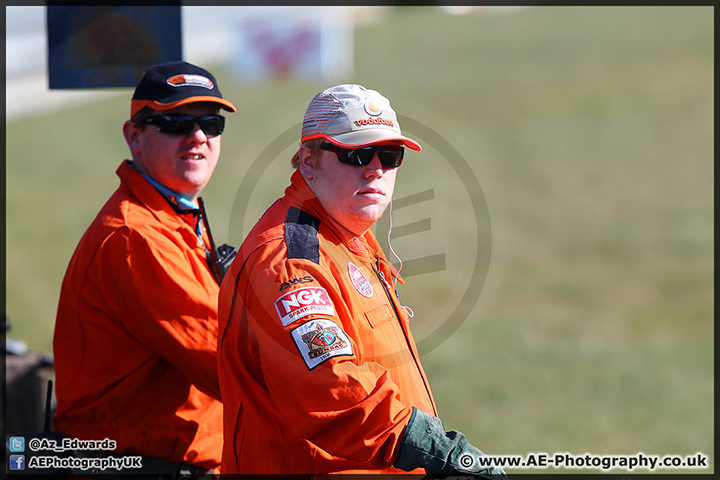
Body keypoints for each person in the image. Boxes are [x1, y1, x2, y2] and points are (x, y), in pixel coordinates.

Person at [217, 84, 508, 477]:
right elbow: (332, 390)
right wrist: (439, 451)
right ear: (308, 161)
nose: (376, 169)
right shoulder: (292, 261)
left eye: (390, 155)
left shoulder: (349, 240)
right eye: (355, 153)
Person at [52, 61, 236, 477]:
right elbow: (229, 365)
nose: (198, 137)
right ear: (134, 135)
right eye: (174, 123)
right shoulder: (139, 237)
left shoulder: (173, 214)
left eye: (211, 123)